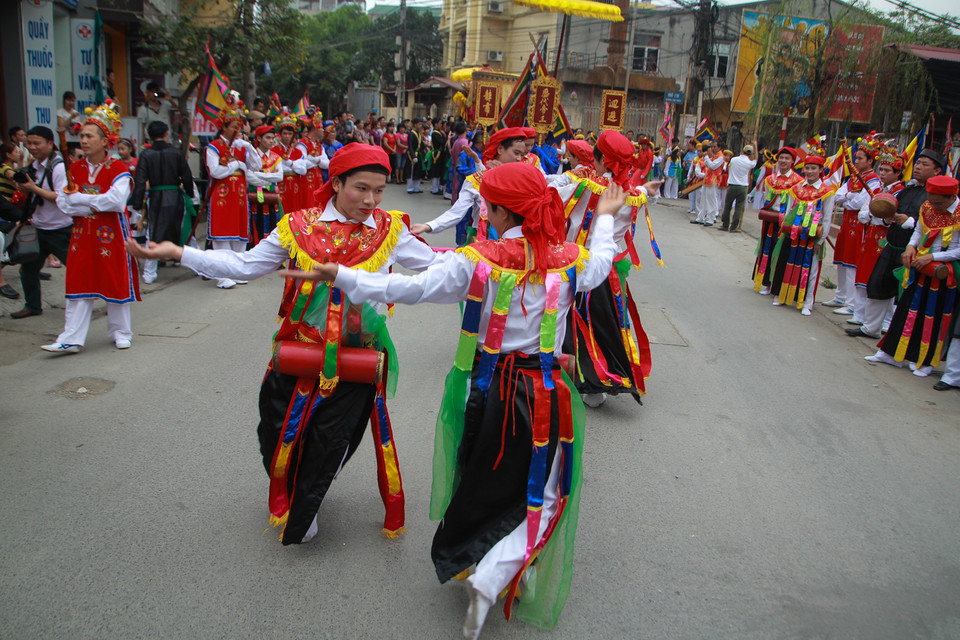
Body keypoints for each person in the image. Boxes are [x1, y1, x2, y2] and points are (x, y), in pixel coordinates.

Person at [284, 162, 622, 638]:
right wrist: (605, 216)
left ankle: (482, 559)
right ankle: (498, 570)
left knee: (481, 469)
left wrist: (342, 275)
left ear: (501, 211)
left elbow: (413, 288)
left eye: (487, 203)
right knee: (546, 491)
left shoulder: (477, 259)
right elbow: (604, 262)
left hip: (484, 386)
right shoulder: (572, 259)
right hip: (543, 390)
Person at [125, 143, 444, 545]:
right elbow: (245, 265)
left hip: (357, 355)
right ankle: (298, 486)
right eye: (360, 188)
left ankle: (305, 504)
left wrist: (502, 260)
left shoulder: (389, 230)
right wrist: (181, 252)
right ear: (336, 182)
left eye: (379, 190)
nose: (371, 200)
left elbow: (438, 265)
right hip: (300, 350)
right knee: (275, 431)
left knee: (331, 440)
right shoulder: (298, 226)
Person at [556, 129, 661, 407]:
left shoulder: (588, 188)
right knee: (607, 325)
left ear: (601, 159)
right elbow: (636, 192)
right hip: (612, 271)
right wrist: (646, 191)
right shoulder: (631, 193)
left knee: (577, 325)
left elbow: (553, 192)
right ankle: (603, 380)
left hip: (582, 266)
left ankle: (587, 383)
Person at [41, 101, 139, 353]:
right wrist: (90, 204)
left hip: (112, 233)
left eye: (89, 136)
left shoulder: (118, 168)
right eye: (81, 135)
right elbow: (64, 202)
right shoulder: (74, 168)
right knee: (79, 281)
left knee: (114, 278)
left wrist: (83, 201)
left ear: (105, 140)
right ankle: (71, 338)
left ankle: (121, 331)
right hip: (82, 235)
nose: (83, 140)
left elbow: (117, 201)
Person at [866, 175, 959, 376]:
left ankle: (924, 361)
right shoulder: (927, 206)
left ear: (952, 197)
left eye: (939, 202)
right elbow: (918, 230)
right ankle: (890, 353)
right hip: (919, 264)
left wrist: (933, 256)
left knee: (932, 316)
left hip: (943, 271)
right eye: (931, 200)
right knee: (906, 310)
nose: (934, 205)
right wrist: (910, 247)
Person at [850, 149, 946, 340]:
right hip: (892, 243)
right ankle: (870, 327)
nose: (918, 167)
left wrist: (908, 221)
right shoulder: (907, 190)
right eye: (918, 162)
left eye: (925, 164)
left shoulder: (936, 197)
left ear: (937, 171)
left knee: (903, 294)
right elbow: (891, 210)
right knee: (878, 285)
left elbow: (934, 225)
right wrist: (887, 218)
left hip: (914, 251)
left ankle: (897, 333)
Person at [409, 127, 527, 244]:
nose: (518, 158)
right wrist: (428, 226)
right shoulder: (477, 181)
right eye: (516, 153)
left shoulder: (523, 180)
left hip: (515, 245)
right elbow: (457, 212)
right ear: (500, 149)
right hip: (482, 242)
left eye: (521, 155)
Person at [9, 126, 73, 319]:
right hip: (39, 227)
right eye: (29, 143)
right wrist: (25, 189)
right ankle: (32, 306)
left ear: (49, 143)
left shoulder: (58, 166)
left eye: (37, 143)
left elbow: (62, 197)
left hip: (61, 228)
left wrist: (33, 189)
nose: (32, 147)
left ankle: (92, 298)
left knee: (76, 268)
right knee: (28, 269)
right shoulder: (34, 165)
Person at [204, 92, 262, 289]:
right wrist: (236, 164)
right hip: (221, 195)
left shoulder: (241, 146)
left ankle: (236, 271)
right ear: (225, 127)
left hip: (238, 196)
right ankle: (222, 276)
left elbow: (257, 165)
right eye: (234, 126)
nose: (238, 129)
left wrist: (248, 146)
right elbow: (215, 171)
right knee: (222, 236)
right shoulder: (213, 147)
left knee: (238, 235)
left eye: (240, 125)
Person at [845, 144, 905, 336]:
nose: (883, 173)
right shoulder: (880, 189)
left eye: (888, 170)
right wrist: (874, 214)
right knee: (867, 277)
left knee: (884, 281)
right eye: (882, 169)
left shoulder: (899, 193)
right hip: (871, 237)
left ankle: (886, 322)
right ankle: (865, 319)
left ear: (898, 173)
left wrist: (877, 215)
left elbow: (889, 218)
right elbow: (864, 212)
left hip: (886, 240)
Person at [769, 154, 838, 316]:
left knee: (810, 268)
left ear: (821, 170)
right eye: (807, 168)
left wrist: (820, 240)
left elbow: (827, 218)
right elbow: (788, 211)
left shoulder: (827, 192)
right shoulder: (796, 188)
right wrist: (785, 227)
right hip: (794, 231)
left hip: (812, 234)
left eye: (814, 168)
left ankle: (807, 302)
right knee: (787, 262)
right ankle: (782, 294)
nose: (809, 171)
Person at [129, 120, 196, 284]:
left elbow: (140, 180)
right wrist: (190, 193)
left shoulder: (146, 154)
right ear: (166, 134)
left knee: (153, 233)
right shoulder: (176, 152)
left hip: (156, 198)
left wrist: (137, 203)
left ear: (149, 136)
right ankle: (201, 267)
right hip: (175, 196)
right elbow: (187, 175)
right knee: (185, 231)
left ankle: (149, 274)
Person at [824, 137, 882, 316]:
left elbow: (859, 203)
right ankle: (840, 296)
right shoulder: (854, 179)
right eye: (855, 158)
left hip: (859, 227)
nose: (856, 161)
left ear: (870, 161)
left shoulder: (872, 181)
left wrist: (847, 197)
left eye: (860, 159)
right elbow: (837, 196)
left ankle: (851, 303)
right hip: (846, 224)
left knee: (851, 264)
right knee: (841, 260)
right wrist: (849, 196)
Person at [752, 147, 803, 294]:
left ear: (793, 161)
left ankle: (778, 286)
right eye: (781, 158)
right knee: (767, 249)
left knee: (781, 253)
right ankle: (767, 283)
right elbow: (767, 199)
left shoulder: (798, 181)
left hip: (786, 222)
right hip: (771, 219)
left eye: (787, 158)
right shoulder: (770, 179)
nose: (783, 161)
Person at [246, 125, 284, 246]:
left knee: (273, 225)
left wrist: (259, 174)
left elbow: (279, 177)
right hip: (254, 197)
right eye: (268, 138)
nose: (272, 141)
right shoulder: (251, 155)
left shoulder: (276, 157)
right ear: (259, 138)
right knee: (255, 225)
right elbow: (248, 176)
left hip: (271, 198)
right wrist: (269, 177)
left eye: (273, 138)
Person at [272, 110, 306, 219]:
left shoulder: (298, 152)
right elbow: (276, 168)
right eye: (285, 133)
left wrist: (290, 163)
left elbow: (303, 170)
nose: (287, 136)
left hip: (295, 186)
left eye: (290, 134)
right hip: (281, 184)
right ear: (280, 134)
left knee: (295, 212)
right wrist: (294, 165)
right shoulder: (274, 150)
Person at [296, 110, 329, 210]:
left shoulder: (319, 145)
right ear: (315, 128)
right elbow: (302, 164)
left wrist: (316, 160)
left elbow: (327, 163)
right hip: (306, 181)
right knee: (308, 206)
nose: (323, 130)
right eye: (321, 128)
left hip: (318, 181)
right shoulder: (302, 144)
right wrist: (317, 161)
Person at [719, 143, 757, 232]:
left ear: (742, 151)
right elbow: (756, 159)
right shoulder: (749, 163)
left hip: (732, 185)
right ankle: (734, 226)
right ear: (750, 154)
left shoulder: (733, 160)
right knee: (738, 207)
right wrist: (755, 146)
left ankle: (725, 225)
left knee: (727, 206)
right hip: (743, 187)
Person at [694, 139, 724, 226]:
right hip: (707, 179)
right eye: (712, 147)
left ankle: (711, 218)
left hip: (714, 180)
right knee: (703, 199)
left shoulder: (720, 157)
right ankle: (701, 217)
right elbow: (707, 165)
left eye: (715, 147)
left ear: (719, 147)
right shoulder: (714, 156)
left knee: (711, 200)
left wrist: (706, 157)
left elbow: (712, 166)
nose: (713, 148)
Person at [137, 82, 174, 146]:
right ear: (147, 92)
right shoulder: (143, 109)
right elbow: (141, 128)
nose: (154, 94)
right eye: (152, 92)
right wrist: (142, 144)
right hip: (152, 141)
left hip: (167, 140)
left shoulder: (165, 105)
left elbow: (178, 110)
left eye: (156, 92)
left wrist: (170, 100)